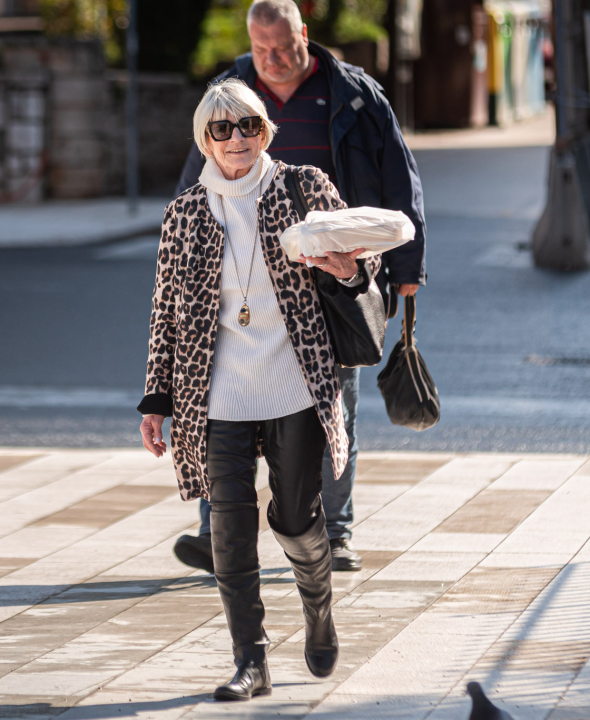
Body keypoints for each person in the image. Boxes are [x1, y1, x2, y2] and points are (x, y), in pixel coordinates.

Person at [138, 78, 378, 701]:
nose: (237, 139)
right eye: (223, 129)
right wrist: (156, 399)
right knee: (228, 531)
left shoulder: (302, 188)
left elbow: (359, 263)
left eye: (248, 126)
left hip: (294, 388)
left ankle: (318, 609)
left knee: (299, 518)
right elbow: (166, 310)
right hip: (215, 399)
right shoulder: (186, 213)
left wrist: (350, 269)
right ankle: (252, 659)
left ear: (265, 131)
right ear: (206, 140)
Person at [172, 0, 428, 575]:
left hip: (331, 282)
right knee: (227, 406)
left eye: (284, 47)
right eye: (262, 50)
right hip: (246, 286)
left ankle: (334, 534)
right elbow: (197, 183)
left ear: (304, 36)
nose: (275, 59)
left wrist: (408, 266)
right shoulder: (231, 93)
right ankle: (217, 531)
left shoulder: (354, 94)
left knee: (333, 409)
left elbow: (399, 178)